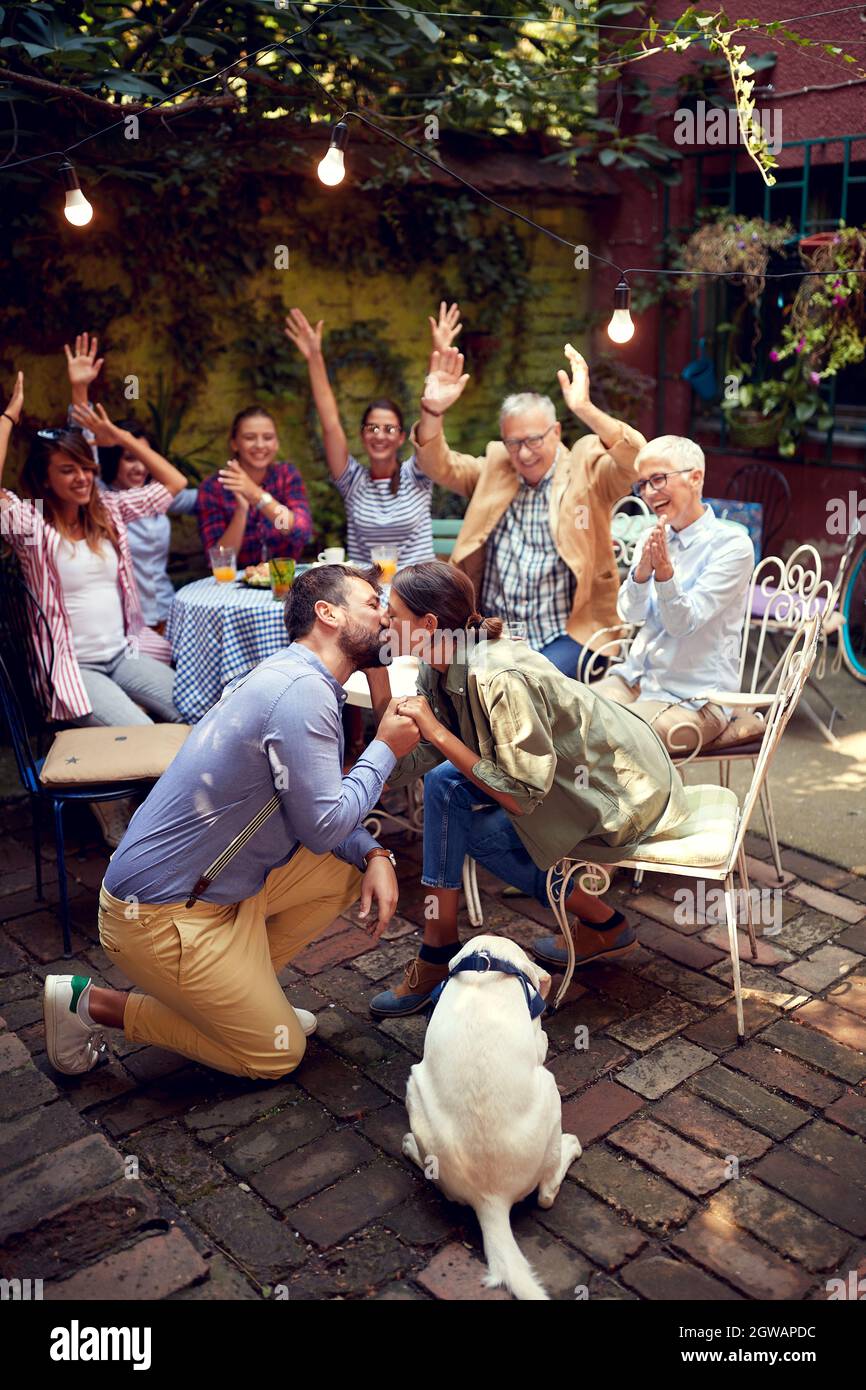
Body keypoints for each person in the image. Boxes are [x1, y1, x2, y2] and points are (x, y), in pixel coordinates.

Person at [41, 565, 422, 1080]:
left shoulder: (301, 677)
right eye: (372, 603)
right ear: (327, 614)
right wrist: (385, 750)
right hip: (160, 916)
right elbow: (324, 828)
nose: (385, 614)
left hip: (212, 892)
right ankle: (88, 1004)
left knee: (346, 868)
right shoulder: (301, 694)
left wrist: (376, 853)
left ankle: (240, 1002)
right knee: (274, 1055)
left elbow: (314, 803)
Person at [364, 561, 690, 1016]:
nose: (382, 618)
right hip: (560, 780)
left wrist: (437, 732)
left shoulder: (498, 677)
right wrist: (375, 677)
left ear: (428, 625)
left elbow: (519, 793)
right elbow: (412, 758)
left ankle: (444, 952)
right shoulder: (439, 663)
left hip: (619, 793)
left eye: (392, 611)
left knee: (476, 825)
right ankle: (599, 926)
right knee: (443, 784)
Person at [1, 375, 189, 845]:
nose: (82, 477)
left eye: (86, 466)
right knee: (146, 735)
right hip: (75, 669)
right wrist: (7, 418)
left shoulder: (108, 512)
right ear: (45, 478)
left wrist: (121, 438)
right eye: (68, 470)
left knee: (200, 706)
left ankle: (167, 811)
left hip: (124, 654)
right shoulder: (31, 526)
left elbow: (174, 483)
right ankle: (122, 818)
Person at [408, 343, 646, 677]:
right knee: (432, 673)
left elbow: (637, 462)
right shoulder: (496, 466)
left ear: (557, 431)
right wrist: (432, 412)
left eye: (534, 440)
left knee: (526, 683)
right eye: (514, 443)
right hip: (494, 630)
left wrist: (585, 407)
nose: (524, 453)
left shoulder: (586, 468)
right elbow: (438, 465)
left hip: (567, 632)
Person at [593, 436, 755, 754]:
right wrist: (641, 574)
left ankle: (658, 803)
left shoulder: (732, 546)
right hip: (636, 679)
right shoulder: (651, 538)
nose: (650, 493)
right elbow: (631, 616)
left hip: (696, 699)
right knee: (567, 718)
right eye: (642, 484)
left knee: (609, 740)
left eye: (658, 479)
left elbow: (683, 624)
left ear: (695, 477)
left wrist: (665, 575)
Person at [283, 303, 462, 568]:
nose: (380, 435)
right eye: (373, 428)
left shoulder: (419, 473)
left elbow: (432, 406)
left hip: (417, 591)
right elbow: (330, 423)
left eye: (389, 429)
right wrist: (314, 357)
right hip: (368, 595)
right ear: (362, 435)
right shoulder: (352, 481)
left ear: (402, 437)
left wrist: (439, 350)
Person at [98, 422, 198, 631]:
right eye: (130, 458)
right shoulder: (101, 500)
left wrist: (252, 493)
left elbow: (198, 499)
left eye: (145, 457)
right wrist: (80, 391)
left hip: (168, 610)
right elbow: (82, 436)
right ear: (111, 458)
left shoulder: (156, 494)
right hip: (126, 622)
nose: (141, 467)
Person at [196, 406, 313, 568]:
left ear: (276, 443)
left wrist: (257, 495)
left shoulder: (286, 475)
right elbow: (219, 563)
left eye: (268, 437)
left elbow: (300, 533)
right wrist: (241, 511)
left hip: (286, 580)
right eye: (250, 437)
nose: (260, 445)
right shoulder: (212, 488)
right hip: (236, 587)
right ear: (235, 444)